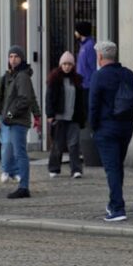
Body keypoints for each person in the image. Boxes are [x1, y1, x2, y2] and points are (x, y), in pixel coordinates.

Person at [89, 40, 133, 222]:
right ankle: (113, 203)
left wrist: (93, 127)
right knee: (117, 167)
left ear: (100, 56)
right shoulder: (128, 74)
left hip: (106, 128)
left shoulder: (99, 76)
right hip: (126, 126)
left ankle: (118, 208)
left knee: (112, 169)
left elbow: (93, 105)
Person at [0, 46, 41, 199]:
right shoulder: (13, 76)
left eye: (16, 56)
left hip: (17, 121)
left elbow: (26, 98)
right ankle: (19, 182)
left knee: (20, 153)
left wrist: (11, 114)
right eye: (11, 56)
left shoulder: (22, 76)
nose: (13, 59)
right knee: (13, 150)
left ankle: (24, 187)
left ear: (22, 58)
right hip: (12, 120)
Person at [46, 51, 87, 179]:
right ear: (60, 65)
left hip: (73, 117)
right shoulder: (54, 79)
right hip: (59, 117)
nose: (67, 67)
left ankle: (76, 169)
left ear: (73, 65)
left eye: (69, 64)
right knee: (57, 144)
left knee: (74, 145)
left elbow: (81, 100)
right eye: (64, 64)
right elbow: (49, 98)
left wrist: (82, 117)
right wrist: (50, 114)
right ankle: (54, 168)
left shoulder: (77, 80)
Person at [74, 21, 97, 90]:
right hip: (82, 83)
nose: (75, 33)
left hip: (87, 85)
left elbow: (93, 65)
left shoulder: (90, 45)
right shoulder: (83, 45)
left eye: (76, 31)